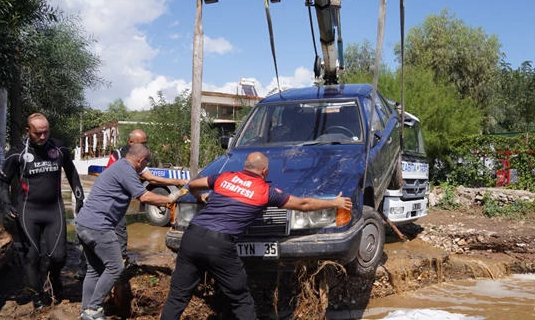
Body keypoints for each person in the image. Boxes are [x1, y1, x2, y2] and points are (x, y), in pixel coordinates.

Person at [159, 151, 353, 320]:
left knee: (177, 297)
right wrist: (334, 203)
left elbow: (193, 183)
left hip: (191, 238)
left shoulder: (224, 178)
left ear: (245, 167)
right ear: (264, 171)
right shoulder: (264, 191)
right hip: (219, 246)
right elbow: (303, 204)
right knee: (241, 299)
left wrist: (200, 198)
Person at [75, 143, 181, 320]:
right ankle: (92, 310)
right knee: (116, 266)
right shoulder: (127, 171)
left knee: (94, 270)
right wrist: (170, 198)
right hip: (99, 226)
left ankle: (86, 311)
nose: (146, 166)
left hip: (84, 223)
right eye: (147, 162)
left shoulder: (119, 166)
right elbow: (145, 197)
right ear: (141, 160)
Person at [0, 113, 86, 308]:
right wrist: (5, 204)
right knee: (32, 257)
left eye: (46, 132)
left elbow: (72, 173)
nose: (43, 137)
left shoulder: (59, 148)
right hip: (28, 211)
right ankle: (37, 298)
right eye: (38, 133)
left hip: (54, 210)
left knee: (59, 256)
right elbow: (2, 181)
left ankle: (54, 278)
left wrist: (79, 198)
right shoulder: (17, 153)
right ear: (28, 131)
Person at [75, 129, 186, 279]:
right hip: (109, 205)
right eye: (143, 143)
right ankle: (110, 272)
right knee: (111, 237)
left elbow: (150, 178)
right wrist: (171, 197)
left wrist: (177, 182)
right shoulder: (123, 156)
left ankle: (106, 270)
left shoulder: (134, 155)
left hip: (114, 204)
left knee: (104, 238)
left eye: (146, 143)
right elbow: (145, 189)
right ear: (131, 142)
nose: (145, 146)